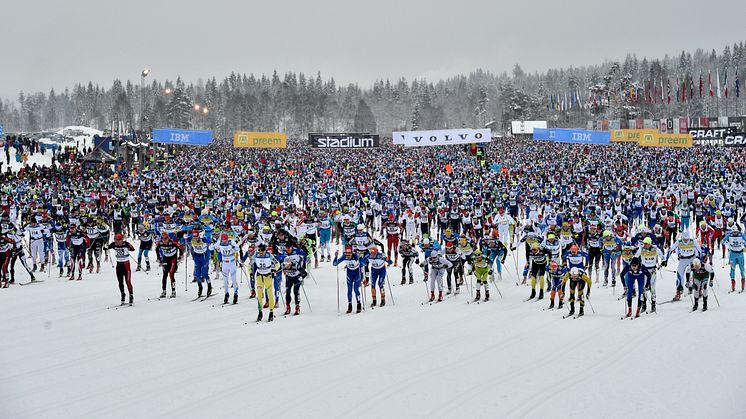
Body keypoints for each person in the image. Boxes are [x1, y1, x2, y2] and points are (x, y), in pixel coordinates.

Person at [663, 230, 702, 301]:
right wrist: (666, 260)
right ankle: (679, 291)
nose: (686, 241)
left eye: (687, 239)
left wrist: (699, 259)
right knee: (679, 275)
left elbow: (699, 250)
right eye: (684, 239)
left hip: (692, 258)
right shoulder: (679, 242)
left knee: (694, 273)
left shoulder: (693, 241)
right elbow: (671, 250)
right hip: (683, 259)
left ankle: (697, 289)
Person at [334, 245, 367, 313]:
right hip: (349, 273)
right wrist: (336, 256)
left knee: (356, 289)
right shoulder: (344, 256)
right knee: (349, 290)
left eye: (349, 254)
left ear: (352, 253)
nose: (348, 256)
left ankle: (358, 304)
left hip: (357, 273)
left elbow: (365, 264)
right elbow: (335, 264)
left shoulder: (356, 256)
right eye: (346, 254)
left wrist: (361, 259)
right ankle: (350, 305)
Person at [104, 233, 135, 305]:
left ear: (122, 239)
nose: (117, 241)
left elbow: (133, 249)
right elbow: (107, 247)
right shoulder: (114, 244)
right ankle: (123, 294)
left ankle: (131, 295)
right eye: (116, 239)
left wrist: (128, 247)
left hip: (126, 265)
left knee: (128, 282)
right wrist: (105, 247)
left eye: (119, 240)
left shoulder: (126, 244)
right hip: (119, 265)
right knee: (120, 282)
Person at [209, 233, 240, 304]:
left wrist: (232, 248)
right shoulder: (219, 242)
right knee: (225, 281)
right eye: (223, 241)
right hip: (224, 263)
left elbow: (237, 248)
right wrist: (213, 244)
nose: (224, 242)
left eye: (225, 240)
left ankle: (235, 294)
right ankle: (226, 294)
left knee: (234, 280)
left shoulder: (231, 242)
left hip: (232, 263)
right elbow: (210, 248)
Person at [252, 244, 279, 321]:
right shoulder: (256, 255)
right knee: (259, 295)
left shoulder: (269, 255)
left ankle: (271, 312)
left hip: (268, 277)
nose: (260, 252)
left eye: (262, 250)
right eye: (259, 250)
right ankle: (260, 312)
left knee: (270, 295)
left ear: (265, 250)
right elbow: (251, 264)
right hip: (260, 276)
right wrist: (251, 272)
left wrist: (274, 270)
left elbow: (277, 264)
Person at [155, 232, 184, 298]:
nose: (164, 240)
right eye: (162, 238)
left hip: (173, 259)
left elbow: (181, 248)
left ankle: (173, 291)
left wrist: (180, 256)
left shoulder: (173, 242)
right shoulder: (160, 243)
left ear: (168, 238)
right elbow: (156, 249)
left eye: (165, 238)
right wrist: (158, 258)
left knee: (171, 274)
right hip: (165, 259)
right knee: (164, 275)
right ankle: (164, 291)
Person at [189, 229, 212, 298]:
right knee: (197, 274)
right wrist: (184, 237)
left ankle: (209, 286)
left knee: (204, 273)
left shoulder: (203, 239)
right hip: (197, 257)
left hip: (204, 256)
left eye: (197, 237)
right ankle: (200, 287)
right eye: (194, 237)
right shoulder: (192, 238)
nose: (195, 238)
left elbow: (210, 241)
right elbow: (185, 240)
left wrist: (204, 239)